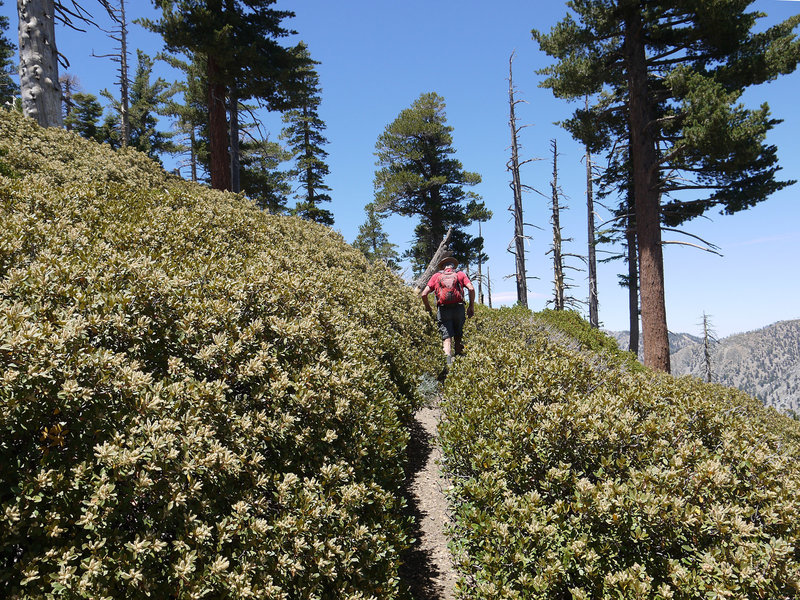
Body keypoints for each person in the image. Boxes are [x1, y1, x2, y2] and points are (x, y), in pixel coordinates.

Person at [420, 255, 475, 366]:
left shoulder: (436, 276)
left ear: (443, 267)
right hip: (459, 308)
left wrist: (428, 307)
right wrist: (471, 306)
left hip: (443, 310)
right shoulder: (460, 274)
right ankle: (461, 365)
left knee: (447, 338)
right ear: (453, 266)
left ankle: (448, 366)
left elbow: (424, 294)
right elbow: (471, 288)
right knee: (458, 335)